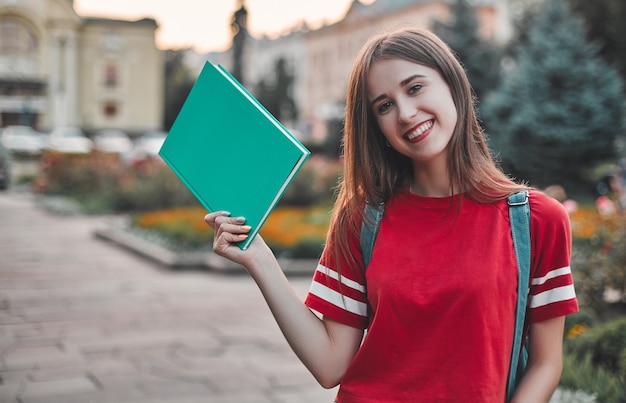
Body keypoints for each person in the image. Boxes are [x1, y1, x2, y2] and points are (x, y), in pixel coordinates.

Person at [205, 27, 578, 402]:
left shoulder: (535, 220)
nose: (405, 113)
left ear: (453, 84)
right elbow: (330, 364)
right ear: (377, 127)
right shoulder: (362, 218)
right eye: (384, 105)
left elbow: (546, 364)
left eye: (415, 88)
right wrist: (260, 260)